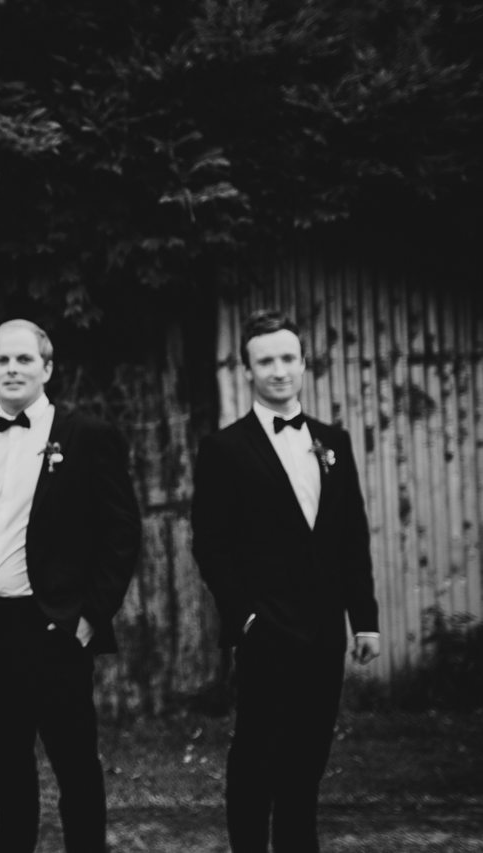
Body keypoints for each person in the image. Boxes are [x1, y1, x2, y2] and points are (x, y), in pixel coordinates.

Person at [0, 319, 141, 853]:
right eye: (2, 360)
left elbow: (122, 533)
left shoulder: (87, 435)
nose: (12, 369)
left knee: (76, 768)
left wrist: (90, 616)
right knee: (7, 771)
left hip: (56, 626)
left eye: (24, 359)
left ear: (47, 368)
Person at [191, 309, 380, 853]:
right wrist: (246, 616)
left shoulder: (333, 440)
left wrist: (364, 620)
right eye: (266, 361)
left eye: (288, 358)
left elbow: (351, 536)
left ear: (303, 363)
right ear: (248, 369)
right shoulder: (224, 449)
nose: (278, 370)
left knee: (308, 759)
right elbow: (211, 544)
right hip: (266, 630)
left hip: (324, 630)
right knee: (256, 757)